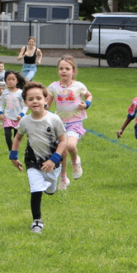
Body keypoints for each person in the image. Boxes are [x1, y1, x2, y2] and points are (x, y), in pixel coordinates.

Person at [10, 82, 67, 234]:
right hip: (33, 162)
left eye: (38, 98)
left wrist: (54, 160)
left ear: (46, 100)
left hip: (53, 163)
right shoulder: (25, 121)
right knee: (36, 189)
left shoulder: (54, 119)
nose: (35, 101)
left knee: (50, 189)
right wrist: (13, 157)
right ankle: (37, 221)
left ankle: (51, 186)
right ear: (26, 102)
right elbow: (17, 138)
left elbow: (63, 141)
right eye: (31, 99)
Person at [47, 55, 93, 190]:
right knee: (62, 153)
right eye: (61, 68)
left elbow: (88, 95)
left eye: (67, 68)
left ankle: (75, 161)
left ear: (73, 71)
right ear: (58, 71)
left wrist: (87, 103)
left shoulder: (78, 86)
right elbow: (47, 104)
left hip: (75, 122)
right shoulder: (53, 87)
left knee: (71, 146)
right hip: (59, 123)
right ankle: (63, 178)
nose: (64, 71)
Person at [0, 70, 27, 152]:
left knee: (16, 137)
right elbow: (0, 104)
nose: (11, 81)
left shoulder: (21, 93)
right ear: (6, 81)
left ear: (17, 81)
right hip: (7, 117)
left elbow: (25, 106)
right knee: (7, 135)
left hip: (18, 118)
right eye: (8, 79)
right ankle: (11, 150)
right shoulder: (4, 93)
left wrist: (21, 114)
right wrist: (0, 113)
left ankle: (14, 150)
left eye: (13, 79)